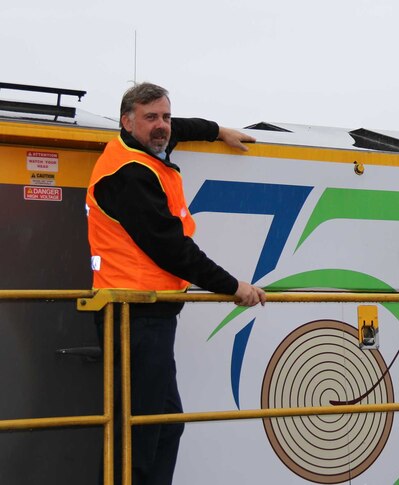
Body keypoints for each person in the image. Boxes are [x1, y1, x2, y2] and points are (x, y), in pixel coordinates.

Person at [86, 82, 266, 484]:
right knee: (139, 434)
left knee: (164, 426)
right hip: (133, 313)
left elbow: (177, 129)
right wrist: (233, 286)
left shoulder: (144, 146)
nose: (162, 126)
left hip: (151, 314)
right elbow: (172, 249)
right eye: (152, 118)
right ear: (126, 121)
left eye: (165, 116)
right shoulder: (129, 174)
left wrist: (218, 130)